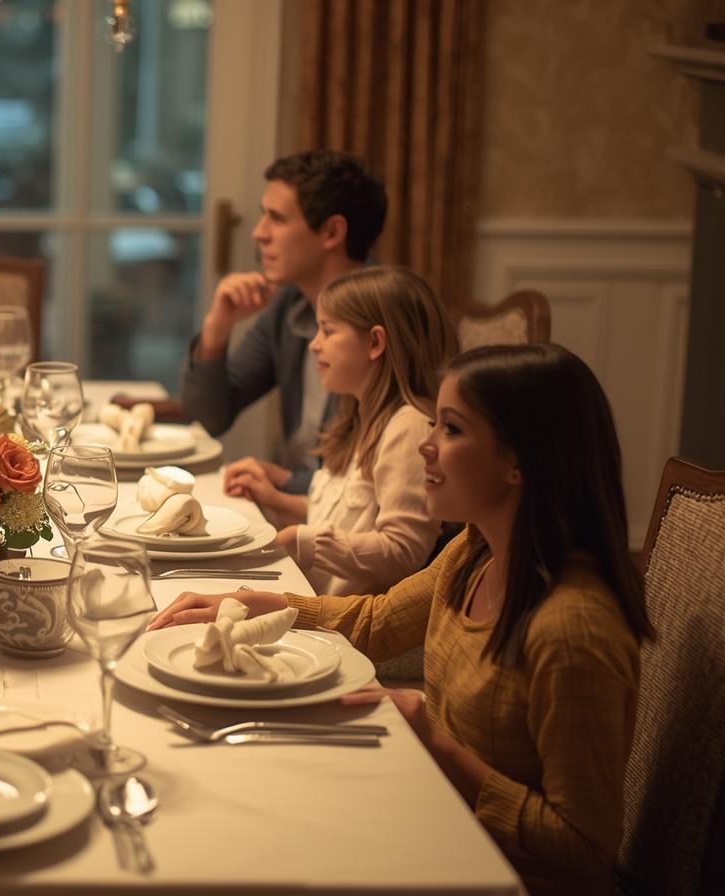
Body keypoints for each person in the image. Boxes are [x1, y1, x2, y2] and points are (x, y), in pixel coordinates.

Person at [151, 343, 649, 895]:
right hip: (437, 824)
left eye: (451, 430)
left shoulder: (574, 627)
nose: (424, 446)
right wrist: (275, 605)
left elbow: (584, 852)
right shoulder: (475, 552)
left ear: (518, 463)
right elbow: (379, 620)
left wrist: (437, 741)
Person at [229, 266, 455, 598]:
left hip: (347, 630)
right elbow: (349, 519)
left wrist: (300, 541)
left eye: (328, 331)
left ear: (375, 342)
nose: (314, 346)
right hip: (313, 601)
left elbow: (403, 550)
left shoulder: (408, 428)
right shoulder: (360, 419)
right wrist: (275, 499)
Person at [181, 149, 387, 494]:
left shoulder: (385, 317)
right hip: (299, 507)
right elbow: (207, 418)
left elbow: (371, 480)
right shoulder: (292, 303)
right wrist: (218, 325)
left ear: (332, 232)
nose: (258, 234)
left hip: (344, 526)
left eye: (276, 219)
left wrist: (283, 481)